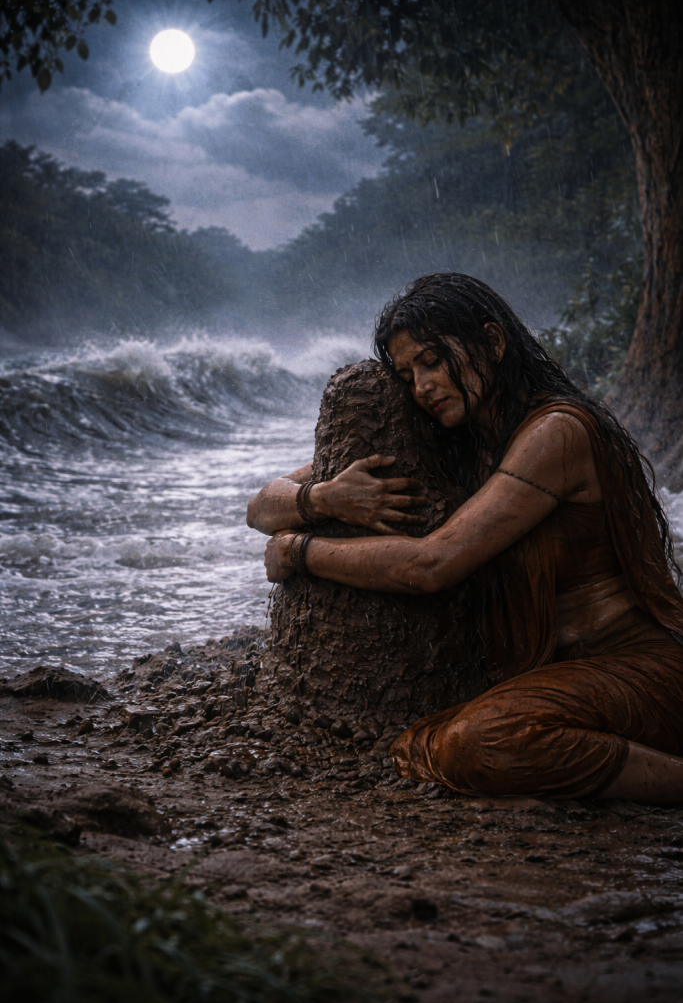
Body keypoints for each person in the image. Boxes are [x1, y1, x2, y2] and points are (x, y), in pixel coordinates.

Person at [248, 273, 683, 805]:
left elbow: (433, 565)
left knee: (478, 745)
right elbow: (259, 506)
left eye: (432, 361)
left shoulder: (557, 432)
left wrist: (300, 552)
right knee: (442, 745)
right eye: (407, 374)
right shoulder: (459, 438)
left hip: (637, 667)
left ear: (493, 344)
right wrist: (321, 500)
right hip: (556, 674)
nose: (421, 387)